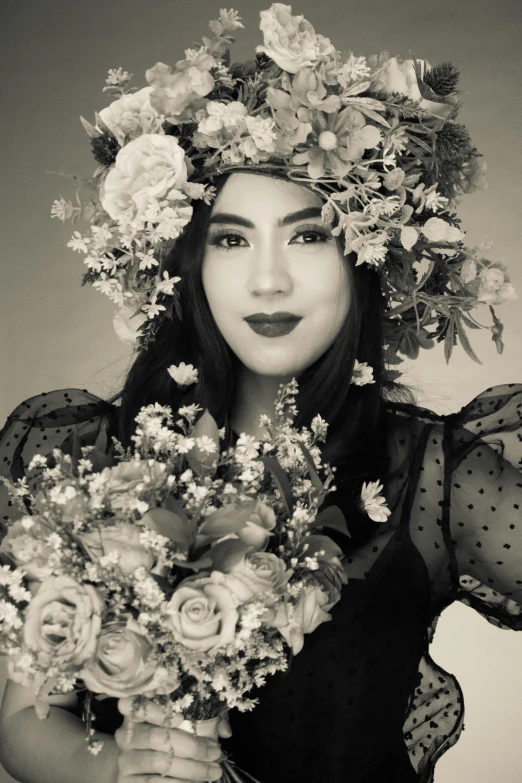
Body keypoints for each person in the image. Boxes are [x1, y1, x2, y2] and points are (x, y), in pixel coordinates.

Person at [1, 4, 521, 783]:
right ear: (188, 261)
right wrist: (109, 768)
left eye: (309, 235)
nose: (268, 278)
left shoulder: (436, 477)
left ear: (362, 255)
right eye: (232, 239)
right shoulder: (84, 454)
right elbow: (21, 717)